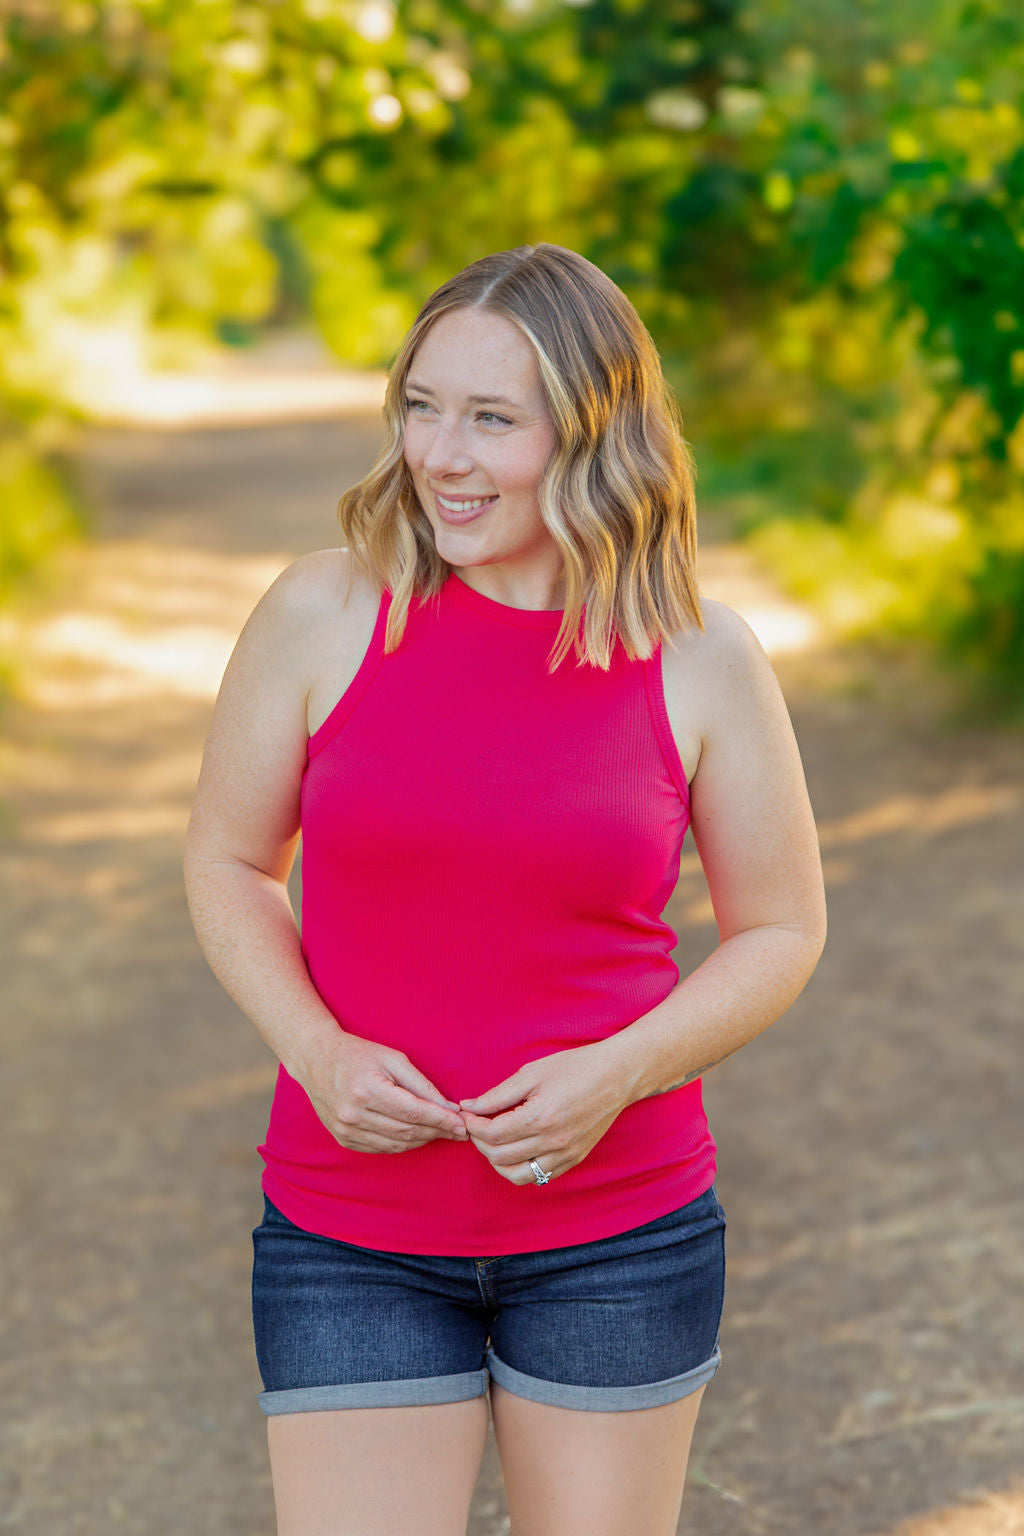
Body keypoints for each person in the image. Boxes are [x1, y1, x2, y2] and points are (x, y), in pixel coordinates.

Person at [183, 242, 827, 1536]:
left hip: (618, 1232)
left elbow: (781, 928)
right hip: (349, 1231)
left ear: (595, 431)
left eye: (491, 419)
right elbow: (228, 862)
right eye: (422, 406)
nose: (441, 454)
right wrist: (315, 1050)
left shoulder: (699, 652)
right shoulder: (323, 612)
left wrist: (619, 1071)